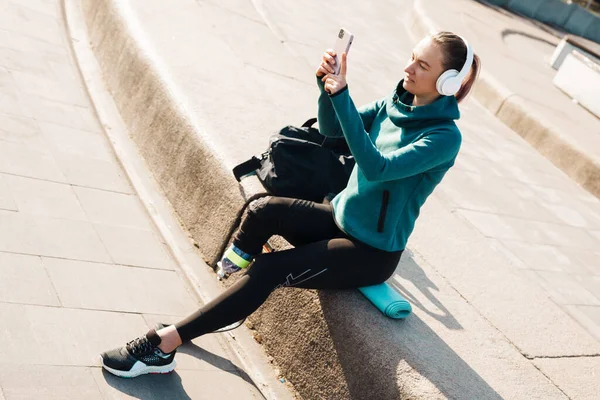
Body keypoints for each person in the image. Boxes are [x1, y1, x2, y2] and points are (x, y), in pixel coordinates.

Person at [100, 31, 481, 378]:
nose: (408, 67)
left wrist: (343, 96)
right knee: (265, 209)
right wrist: (325, 87)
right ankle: (232, 287)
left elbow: (378, 167)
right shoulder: (395, 103)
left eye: (422, 65)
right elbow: (332, 131)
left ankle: (165, 346)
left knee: (269, 269)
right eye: (412, 56)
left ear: (448, 82)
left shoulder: (443, 137)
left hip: (370, 251)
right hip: (339, 217)